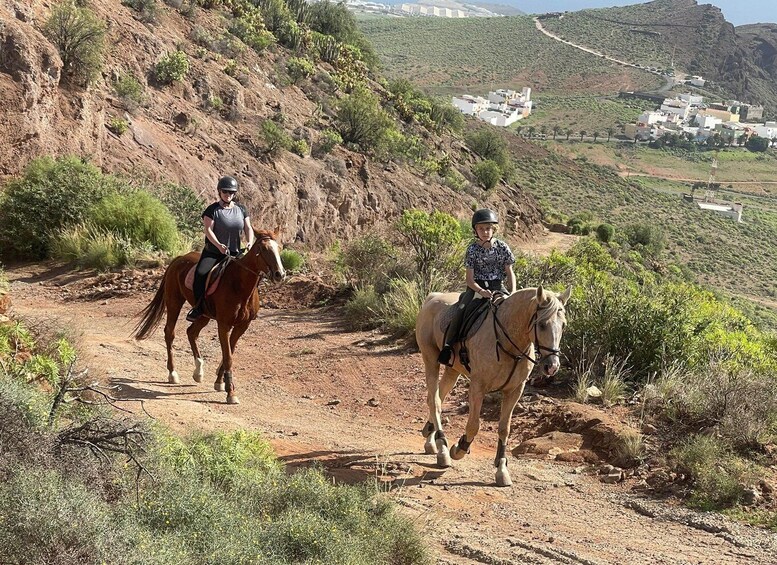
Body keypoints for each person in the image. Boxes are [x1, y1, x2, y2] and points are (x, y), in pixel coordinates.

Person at [438, 208, 516, 366]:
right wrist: (481, 291)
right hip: (476, 288)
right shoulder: (472, 250)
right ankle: (448, 348)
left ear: (493, 229)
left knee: (514, 313)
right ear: (475, 230)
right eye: (481, 228)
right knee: (461, 310)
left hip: (498, 287)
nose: (485, 232)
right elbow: (469, 279)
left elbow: (510, 272)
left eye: (488, 228)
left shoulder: (503, 247)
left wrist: (513, 292)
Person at [186, 176, 255, 322]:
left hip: (235, 253)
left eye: (231, 192)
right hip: (214, 252)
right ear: (219, 191)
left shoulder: (241, 209)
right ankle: (198, 307)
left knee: (251, 273)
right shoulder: (211, 210)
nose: (228, 195)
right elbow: (208, 230)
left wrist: (249, 241)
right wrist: (219, 246)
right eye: (225, 191)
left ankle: (250, 306)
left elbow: (248, 227)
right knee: (201, 273)